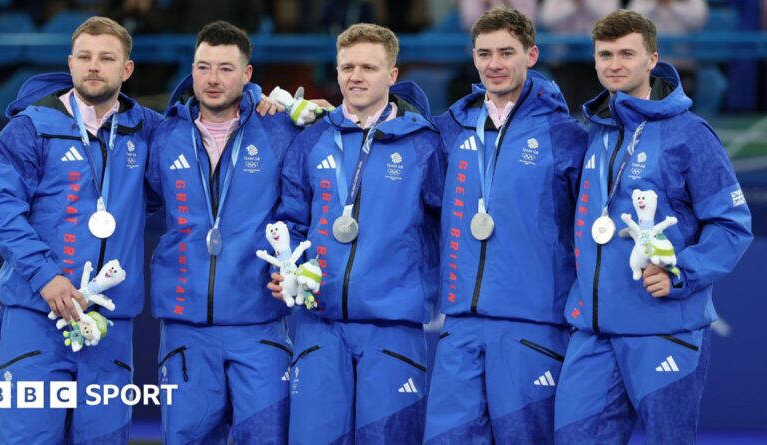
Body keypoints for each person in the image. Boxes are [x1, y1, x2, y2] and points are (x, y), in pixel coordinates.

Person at [554, 10, 752, 444]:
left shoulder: (689, 133)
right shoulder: (594, 132)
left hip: (662, 326)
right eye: (605, 54)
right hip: (593, 329)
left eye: (627, 53)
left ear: (652, 59)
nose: (615, 63)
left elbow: (732, 225)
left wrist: (681, 272)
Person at [0, 16, 163, 444]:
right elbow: (0, 210)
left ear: (127, 69)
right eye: (84, 57)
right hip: (36, 318)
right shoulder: (30, 129)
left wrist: (254, 97)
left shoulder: (148, 130)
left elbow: (211, 122)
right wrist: (46, 277)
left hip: (109, 323)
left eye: (106, 58)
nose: (94, 66)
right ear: (70, 62)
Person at [270, 23, 445, 444]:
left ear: (393, 75)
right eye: (347, 66)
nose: (356, 76)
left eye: (369, 66)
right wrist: (289, 267)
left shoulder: (424, 144)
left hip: (392, 324)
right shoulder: (311, 140)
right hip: (319, 322)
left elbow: (446, 224)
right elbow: (290, 220)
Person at [423, 7, 587, 444]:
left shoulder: (566, 135)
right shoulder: (450, 129)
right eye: (484, 53)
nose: (494, 63)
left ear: (531, 55)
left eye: (506, 52)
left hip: (531, 324)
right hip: (459, 322)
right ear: (473, 57)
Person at [146, 21, 302, 444]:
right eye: (203, 67)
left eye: (226, 68)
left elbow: (302, 210)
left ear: (248, 75)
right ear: (191, 70)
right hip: (186, 328)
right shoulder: (163, 135)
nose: (213, 79)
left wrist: (294, 263)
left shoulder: (280, 130)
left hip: (258, 324)